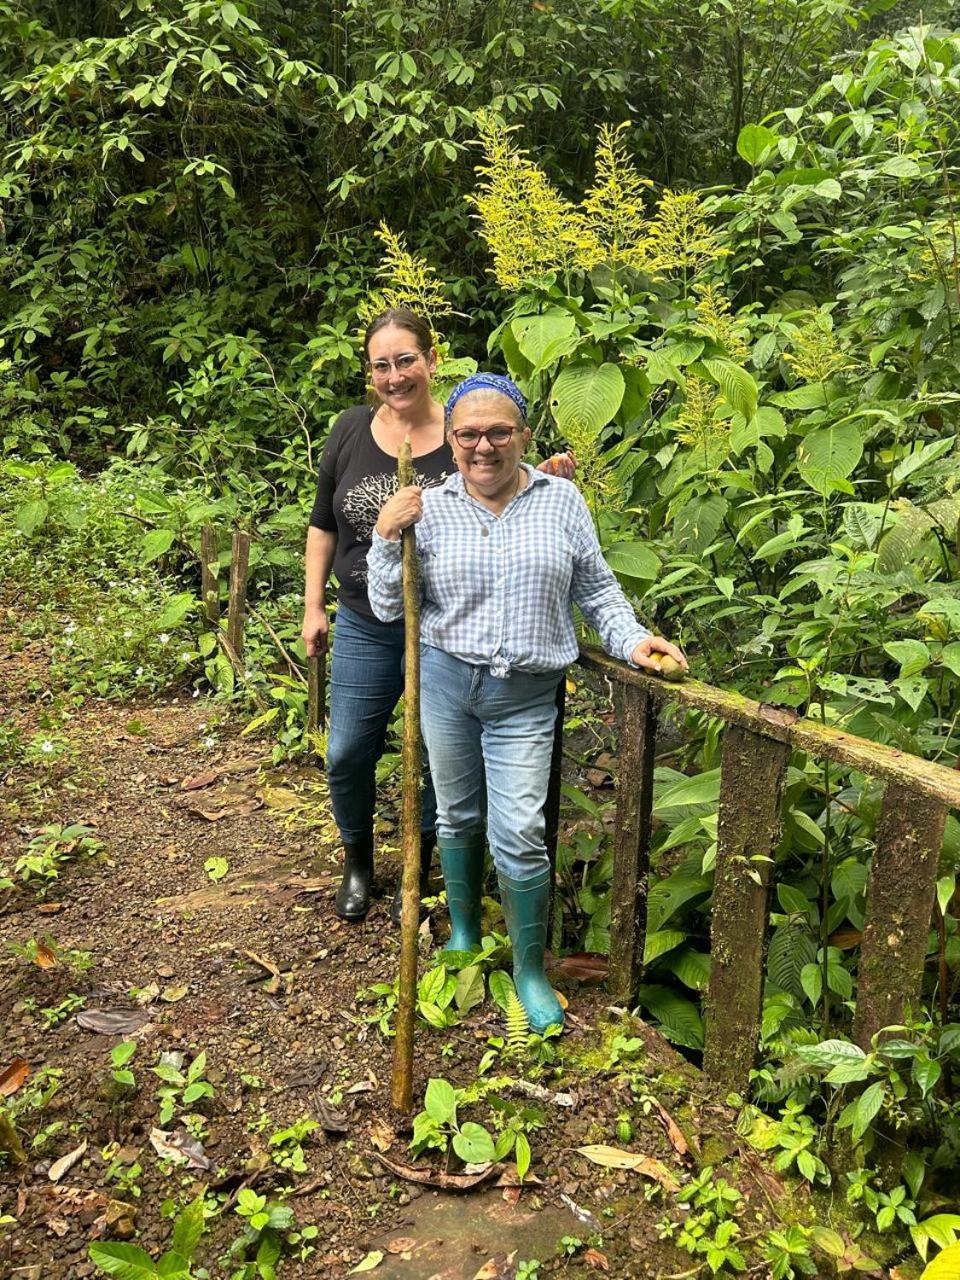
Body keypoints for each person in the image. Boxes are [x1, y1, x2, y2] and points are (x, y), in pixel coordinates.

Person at [366, 372, 687, 1032]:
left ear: (524, 435)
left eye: (499, 432)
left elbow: (597, 589)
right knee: (456, 813)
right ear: (450, 440)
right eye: (468, 435)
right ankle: (463, 932)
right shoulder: (428, 508)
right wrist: (384, 536)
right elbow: (388, 606)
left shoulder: (560, 501)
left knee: (519, 833)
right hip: (447, 684)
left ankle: (529, 969)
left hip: (525, 697)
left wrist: (633, 641)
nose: (483, 446)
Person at [302, 315, 574, 925]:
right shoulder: (350, 430)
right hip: (366, 617)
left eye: (406, 360)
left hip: (445, 625)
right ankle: (357, 860)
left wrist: (551, 476)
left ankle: (425, 862)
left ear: (431, 360)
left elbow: (507, 482)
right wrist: (313, 605)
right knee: (347, 750)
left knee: (442, 756)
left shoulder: (464, 430)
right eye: (381, 365)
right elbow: (322, 524)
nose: (394, 376)